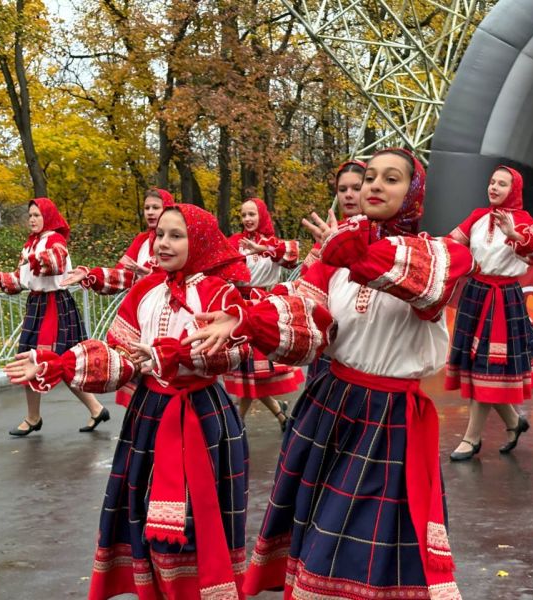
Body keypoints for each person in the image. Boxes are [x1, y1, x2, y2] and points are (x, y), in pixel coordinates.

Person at [3, 203, 334, 600]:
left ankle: (200, 589)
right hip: (149, 414)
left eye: (176, 236)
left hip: (202, 415)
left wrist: (175, 355)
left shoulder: (220, 291)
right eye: (160, 234)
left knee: (197, 518)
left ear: (201, 242)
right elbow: (121, 356)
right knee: (147, 514)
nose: (163, 243)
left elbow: (233, 352)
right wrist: (61, 364)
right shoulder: (145, 291)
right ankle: (160, 589)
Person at [186, 149, 475, 599]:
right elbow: (306, 321)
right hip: (330, 405)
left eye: (391, 179)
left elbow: (425, 285)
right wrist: (245, 318)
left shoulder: (440, 254)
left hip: (388, 420)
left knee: (361, 539)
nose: (374, 185)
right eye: (370, 176)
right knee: (321, 527)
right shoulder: (333, 257)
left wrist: (354, 253)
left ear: (414, 193)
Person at [0, 198, 109, 435]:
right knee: (42, 360)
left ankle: (40, 417)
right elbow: (19, 281)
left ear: (48, 217)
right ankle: (90, 410)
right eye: (30, 215)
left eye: (37, 215)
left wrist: (33, 258)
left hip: (55, 305)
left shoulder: (55, 239)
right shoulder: (30, 244)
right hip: (37, 305)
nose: (32, 219)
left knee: (48, 361)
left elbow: (56, 262)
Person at [445, 166, 533, 461]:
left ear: (514, 190)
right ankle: (514, 422)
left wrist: (514, 234)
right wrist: (422, 246)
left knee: (487, 368)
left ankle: (471, 439)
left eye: (501, 184)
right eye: (492, 182)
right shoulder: (478, 216)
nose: (493, 187)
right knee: (480, 368)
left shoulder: (526, 222)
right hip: (475, 294)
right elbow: (451, 244)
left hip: (502, 299)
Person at [58, 188, 175, 407]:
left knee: (166, 377)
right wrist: (90, 274)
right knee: (141, 384)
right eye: (147, 208)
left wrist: (153, 274)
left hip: (170, 314)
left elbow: (184, 272)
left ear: (167, 209)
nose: (150, 212)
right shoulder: (141, 241)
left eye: (156, 207)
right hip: (141, 315)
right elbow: (122, 276)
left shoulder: (179, 240)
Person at [225, 197, 304, 431]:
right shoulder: (235, 242)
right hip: (239, 306)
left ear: (262, 215)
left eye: (252, 214)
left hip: (263, 307)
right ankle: (279, 415)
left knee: (253, 370)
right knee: (250, 371)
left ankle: (237, 423)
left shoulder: (273, 244)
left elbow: (292, 256)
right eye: (243, 215)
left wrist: (263, 249)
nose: (247, 219)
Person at [300, 159, 365, 380]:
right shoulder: (328, 232)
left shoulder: (378, 231)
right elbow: (307, 278)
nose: (348, 195)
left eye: (356, 188)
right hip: (329, 329)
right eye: (342, 189)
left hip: (363, 334)